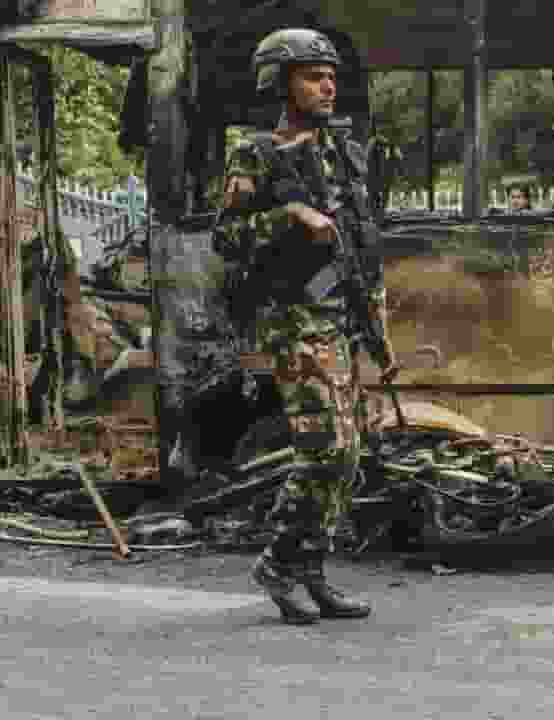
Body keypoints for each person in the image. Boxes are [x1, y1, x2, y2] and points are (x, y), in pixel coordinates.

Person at [218, 28, 396, 625]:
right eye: (312, 75)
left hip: (343, 314)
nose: (327, 85)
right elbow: (227, 237)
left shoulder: (344, 152)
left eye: (331, 76)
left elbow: (363, 243)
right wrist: (290, 215)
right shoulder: (257, 154)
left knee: (349, 456)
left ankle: (311, 570)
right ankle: (276, 565)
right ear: (280, 82)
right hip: (295, 320)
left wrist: (379, 325)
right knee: (326, 449)